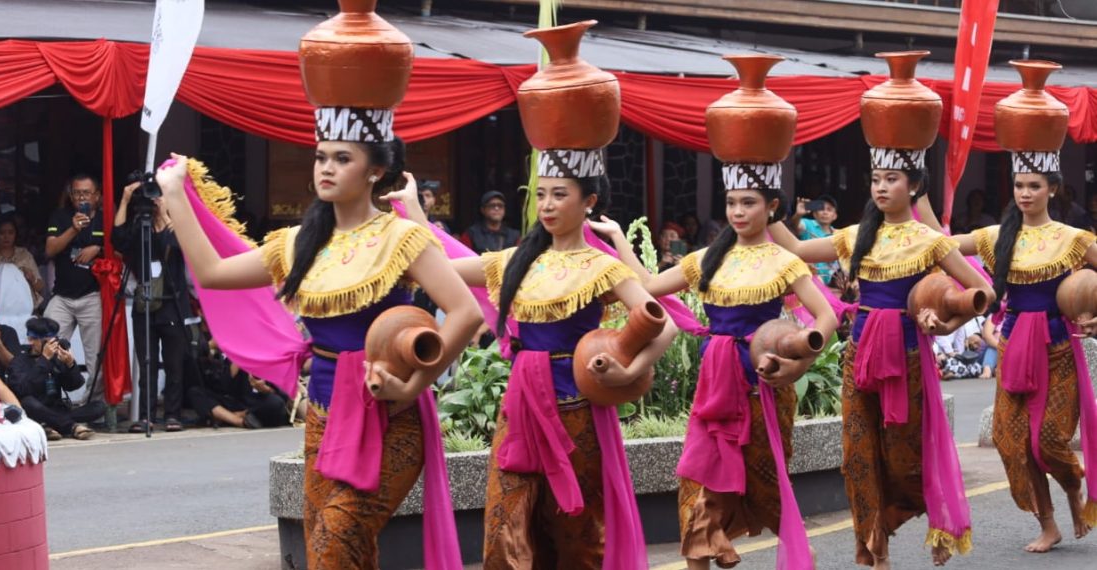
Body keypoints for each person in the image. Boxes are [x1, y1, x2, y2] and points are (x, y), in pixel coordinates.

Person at [156, 15, 480, 566]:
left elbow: (465, 312)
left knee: (336, 544)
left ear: (375, 171)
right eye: (321, 156)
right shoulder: (296, 244)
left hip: (391, 417)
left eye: (342, 159)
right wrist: (175, 195)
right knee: (337, 552)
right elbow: (211, 273)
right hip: (325, 418)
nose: (326, 168)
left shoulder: (402, 237)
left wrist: (414, 384)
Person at [395, 25, 677, 567]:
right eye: (541, 194)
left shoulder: (601, 266)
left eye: (559, 195)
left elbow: (658, 323)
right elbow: (439, 268)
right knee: (505, 530)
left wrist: (631, 368)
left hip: (578, 411)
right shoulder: (513, 260)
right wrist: (411, 210)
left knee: (577, 538)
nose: (547, 205)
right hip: (521, 409)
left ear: (588, 201)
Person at [768, 53, 991, 568]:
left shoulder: (930, 241)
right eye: (876, 179)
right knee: (857, 458)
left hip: (908, 358)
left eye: (892, 178)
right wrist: (767, 203)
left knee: (904, 460)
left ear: (914, 186)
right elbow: (797, 250)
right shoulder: (855, 236)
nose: (882, 187)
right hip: (860, 356)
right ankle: (874, 549)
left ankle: (922, 517)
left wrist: (945, 322)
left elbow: (981, 291)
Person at [643, 136, 835, 567]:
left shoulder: (783, 261)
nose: (737, 212)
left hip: (763, 390)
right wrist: (616, 239)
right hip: (714, 391)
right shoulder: (706, 258)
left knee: (767, 492)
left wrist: (798, 362)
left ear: (772, 207)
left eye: (748, 203)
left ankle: (800, 552)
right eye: (731, 203)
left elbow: (825, 316)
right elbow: (648, 287)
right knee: (696, 496)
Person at [941, 65, 1097, 552]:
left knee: (1048, 441)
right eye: (1019, 185)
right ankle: (1047, 523)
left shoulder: (1073, 238)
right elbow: (940, 244)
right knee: (1011, 443)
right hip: (1012, 346)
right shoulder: (995, 236)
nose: (1025, 193)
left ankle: (1073, 485)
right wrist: (916, 197)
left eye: (1034, 186)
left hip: (1058, 348)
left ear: (1052, 189)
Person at [113, 180, 196, 433]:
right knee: (146, 363)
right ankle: (146, 416)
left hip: (173, 303)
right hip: (145, 303)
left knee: (174, 364)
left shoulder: (178, 226)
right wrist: (125, 200)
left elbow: (183, 246)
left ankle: (172, 414)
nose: (155, 201)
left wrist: (165, 215)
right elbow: (118, 240)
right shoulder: (141, 227)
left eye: (160, 197)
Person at [43, 173, 105, 403]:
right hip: (62, 296)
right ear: (70, 195)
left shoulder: (105, 218)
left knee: (96, 356)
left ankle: (92, 404)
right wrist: (73, 229)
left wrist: (97, 248)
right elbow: (50, 250)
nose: (81, 197)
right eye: (77, 193)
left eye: (86, 193)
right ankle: (51, 399)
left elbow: (119, 251)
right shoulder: (61, 216)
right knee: (46, 344)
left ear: (97, 196)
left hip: (92, 295)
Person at [4, 317, 95, 440]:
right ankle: (72, 427)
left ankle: (49, 425)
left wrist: (70, 365)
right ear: (31, 340)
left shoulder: (56, 357)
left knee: (98, 407)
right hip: (34, 409)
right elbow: (21, 390)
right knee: (28, 402)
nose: (52, 346)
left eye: (53, 341)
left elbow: (73, 386)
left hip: (56, 409)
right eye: (47, 342)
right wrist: (43, 361)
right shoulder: (19, 360)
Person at [188, 339, 290, 429]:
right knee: (195, 392)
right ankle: (239, 421)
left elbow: (282, 394)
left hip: (253, 403)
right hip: (230, 401)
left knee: (276, 403)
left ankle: (229, 417)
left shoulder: (266, 352)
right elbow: (222, 385)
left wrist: (265, 389)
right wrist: (236, 358)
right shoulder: (227, 352)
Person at [0, 217, 44, 306]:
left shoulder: (24, 254)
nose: (6, 237)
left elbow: (40, 287)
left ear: (16, 234)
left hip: (25, 308)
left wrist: (32, 278)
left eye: (11, 233)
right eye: (2, 233)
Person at [790, 195, 841, 285]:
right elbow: (794, 226)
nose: (825, 212)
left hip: (829, 284)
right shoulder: (807, 224)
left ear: (835, 216)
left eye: (829, 210)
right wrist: (798, 215)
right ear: (814, 214)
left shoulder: (838, 234)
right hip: (808, 280)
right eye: (821, 209)